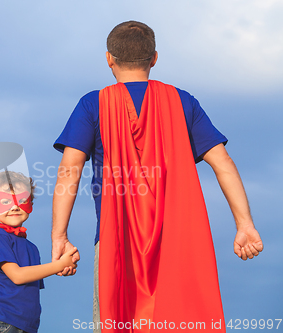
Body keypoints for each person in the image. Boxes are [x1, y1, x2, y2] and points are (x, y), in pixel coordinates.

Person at [51, 21, 263, 333]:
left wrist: (59, 236)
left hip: (115, 239)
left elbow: (70, 169)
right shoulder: (183, 101)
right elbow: (223, 162)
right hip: (180, 241)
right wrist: (245, 224)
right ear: (154, 58)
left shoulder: (92, 104)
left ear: (109, 58)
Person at [0, 170, 78, 333]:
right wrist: (59, 265)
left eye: (22, 200)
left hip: (26, 323)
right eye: (5, 201)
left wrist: (62, 267)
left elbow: (31, 283)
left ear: (30, 204)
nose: (14, 207)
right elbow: (17, 276)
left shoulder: (31, 247)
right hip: (2, 320)